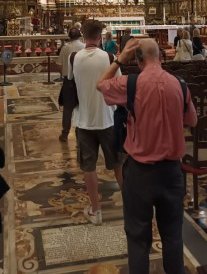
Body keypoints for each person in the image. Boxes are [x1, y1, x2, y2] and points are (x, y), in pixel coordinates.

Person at [97, 38, 198, 274]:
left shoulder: (131, 84)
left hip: (140, 173)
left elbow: (101, 84)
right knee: (173, 235)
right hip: (172, 172)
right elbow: (192, 120)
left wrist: (120, 60)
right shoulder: (180, 84)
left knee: (138, 238)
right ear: (161, 56)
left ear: (137, 59)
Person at [69, 19, 122, 225]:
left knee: (88, 167)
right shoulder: (110, 57)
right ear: (100, 36)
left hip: (84, 120)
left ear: (83, 35)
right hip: (108, 118)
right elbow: (118, 84)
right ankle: (131, 204)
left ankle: (96, 210)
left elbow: (71, 81)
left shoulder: (74, 58)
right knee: (118, 165)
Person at [58, 27, 85, 142]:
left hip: (68, 81)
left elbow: (59, 65)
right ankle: (80, 133)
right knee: (82, 108)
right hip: (82, 81)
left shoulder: (65, 48)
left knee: (68, 109)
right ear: (80, 36)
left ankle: (65, 133)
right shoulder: (84, 47)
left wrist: (64, 74)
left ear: (69, 36)